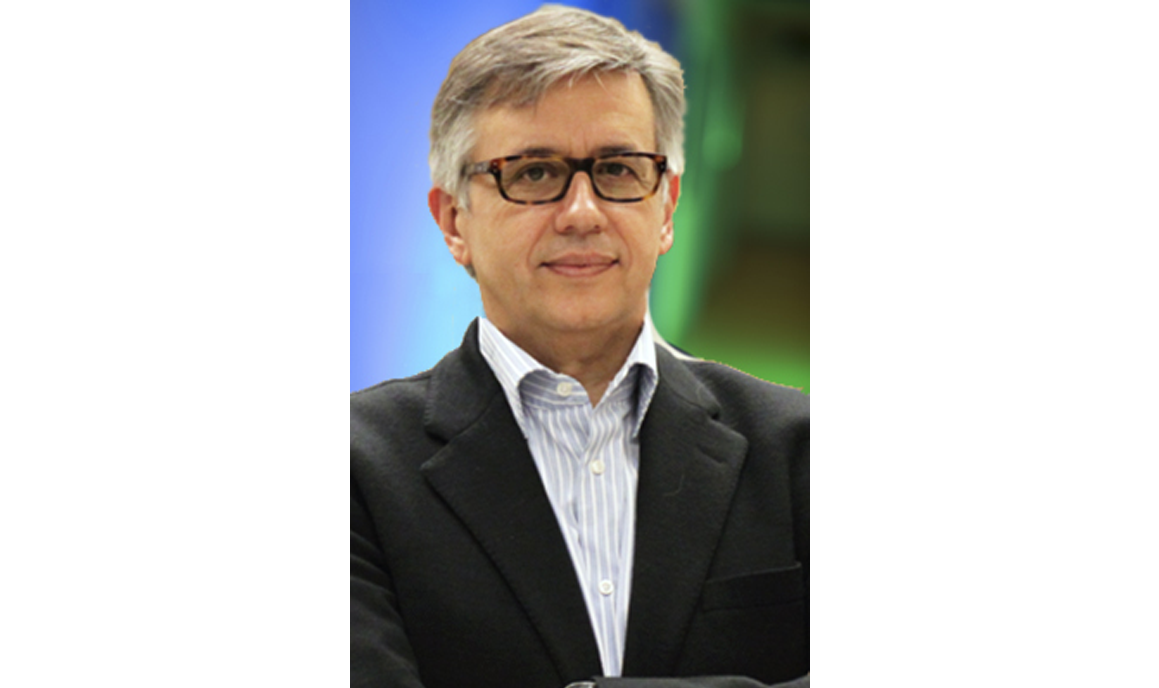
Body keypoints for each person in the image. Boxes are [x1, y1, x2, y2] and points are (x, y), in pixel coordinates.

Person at [350, 6, 808, 688]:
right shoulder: (351, 469)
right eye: (534, 173)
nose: (583, 213)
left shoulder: (801, 448)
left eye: (618, 169)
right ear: (453, 222)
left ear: (665, 207)